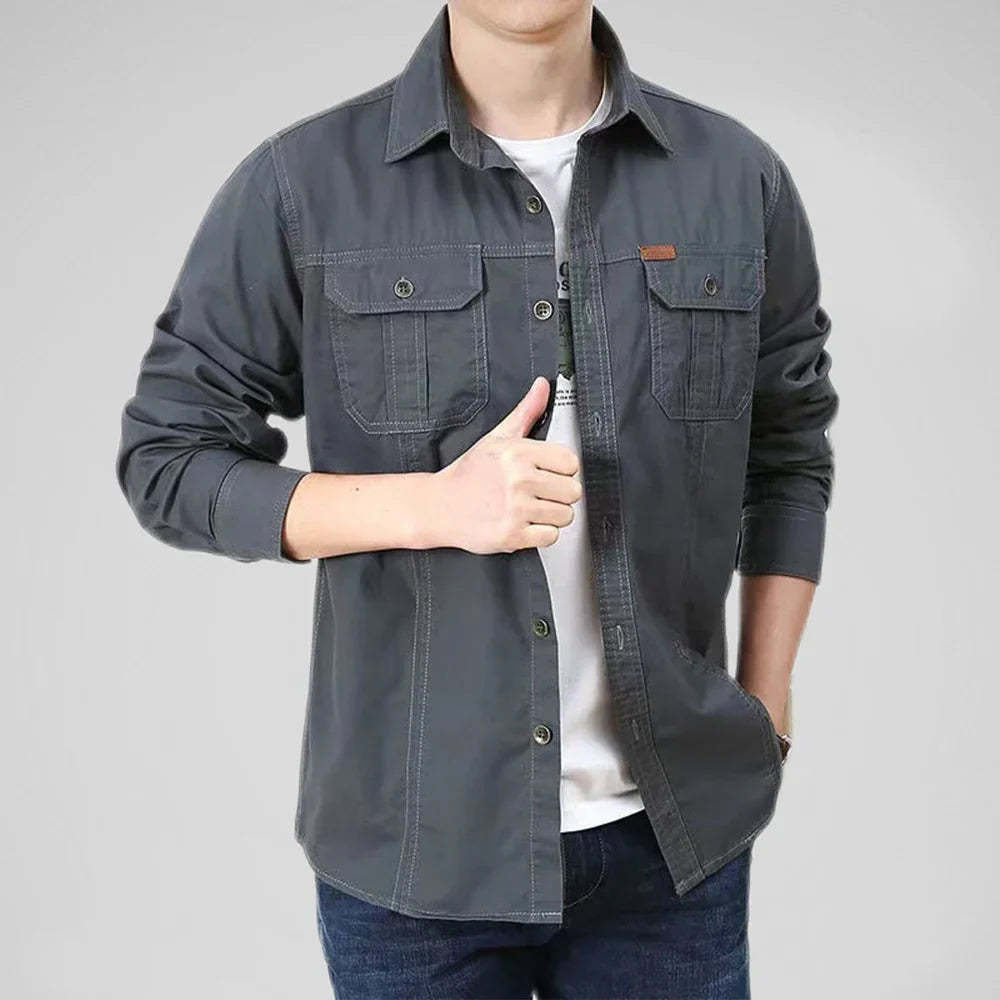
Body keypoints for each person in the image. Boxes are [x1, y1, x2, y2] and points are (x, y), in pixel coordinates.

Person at [115, 1, 838, 996]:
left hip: (674, 842)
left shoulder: (734, 178)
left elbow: (788, 452)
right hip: (414, 848)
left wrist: (766, 697)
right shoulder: (303, 183)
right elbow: (168, 460)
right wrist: (430, 507)